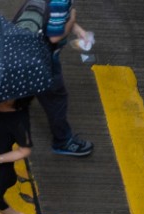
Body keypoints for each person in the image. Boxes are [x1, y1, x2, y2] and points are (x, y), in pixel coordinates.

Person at [14, 0, 96, 157]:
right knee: (57, 99)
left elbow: (52, 16)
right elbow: (54, 37)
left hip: (28, 51)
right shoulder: (61, 1)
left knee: (21, 87)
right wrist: (72, 19)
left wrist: (76, 28)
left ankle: (16, 103)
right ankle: (63, 141)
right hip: (44, 59)